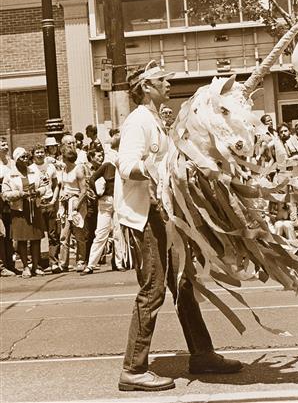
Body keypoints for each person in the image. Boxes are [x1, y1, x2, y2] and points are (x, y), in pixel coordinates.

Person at [115, 60, 242, 392]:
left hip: (164, 217)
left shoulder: (157, 120)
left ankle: (202, 354)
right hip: (142, 219)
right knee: (152, 290)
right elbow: (126, 165)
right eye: (161, 81)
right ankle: (133, 369)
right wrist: (153, 170)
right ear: (145, 87)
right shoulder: (138, 122)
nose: (168, 85)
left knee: (183, 285)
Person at [81, 136, 123, 275]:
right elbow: (92, 179)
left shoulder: (120, 165)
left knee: (118, 233)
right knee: (101, 233)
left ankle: (119, 262)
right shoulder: (107, 166)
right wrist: (98, 193)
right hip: (106, 201)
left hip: (117, 201)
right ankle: (91, 264)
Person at [2, 147, 46, 278]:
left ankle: (36, 266)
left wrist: (38, 192)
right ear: (16, 160)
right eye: (22, 157)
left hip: (34, 207)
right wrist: (20, 194)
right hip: (19, 210)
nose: (25, 159)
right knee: (22, 239)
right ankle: (26, 266)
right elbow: (5, 194)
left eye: (26, 156)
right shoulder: (10, 175)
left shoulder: (34, 171)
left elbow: (44, 185)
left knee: (36, 238)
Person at [29, 144, 61, 273]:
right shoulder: (30, 169)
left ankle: (54, 262)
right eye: (37, 152)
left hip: (50, 202)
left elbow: (56, 184)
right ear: (33, 154)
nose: (40, 154)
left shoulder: (51, 167)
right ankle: (39, 264)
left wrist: (54, 200)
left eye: (42, 152)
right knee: (37, 235)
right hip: (38, 204)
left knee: (53, 234)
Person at [58, 144, 88, 272]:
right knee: (64, 235)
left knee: (79, 234)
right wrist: (61, 206)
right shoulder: (64, 170)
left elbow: (84, 190)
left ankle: (81, 261)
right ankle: (63, 263)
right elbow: (62, 188)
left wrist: (77, 205)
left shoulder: (78, 169)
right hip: (66, 203)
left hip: (76, 202)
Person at [0, 138, 18, 275]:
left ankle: (10, 264)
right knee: (1, 233)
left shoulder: (12, 162)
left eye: (6, 144)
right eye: (2, 145)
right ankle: (2, 266)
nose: (6, 147)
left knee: (10, 233)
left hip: (10, 202)